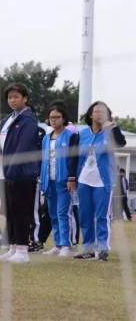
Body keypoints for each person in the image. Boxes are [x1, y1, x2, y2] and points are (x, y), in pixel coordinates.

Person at [0, 83, 41, 264]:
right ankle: (13, 246)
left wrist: (12, 169)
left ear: (25, 98)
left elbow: (23, 148)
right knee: (11, 211)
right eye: (9, 97)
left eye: (16, 97)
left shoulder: (28, 119)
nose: (12, 100)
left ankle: (23, 250)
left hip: (22, 173)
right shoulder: (9, 119)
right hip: (7, 172)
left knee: (22, 211)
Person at [74, 101, 126, 262]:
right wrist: (72, 178)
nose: (99, 114)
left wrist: (113, 127)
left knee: (102, 216)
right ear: (90, 114)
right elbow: (74, 156)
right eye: (96, 111)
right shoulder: (82, 133)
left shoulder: (110, 132)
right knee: (85, 215)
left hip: (103, 181)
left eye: (103, 112)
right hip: (84, 179)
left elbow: (121, 143)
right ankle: (88, 248)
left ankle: (102, 249)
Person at [39, 102, 79, 258]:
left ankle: (66, 245)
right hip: (49, 180)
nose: (54, 120)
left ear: (63, 118)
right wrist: (42, 179)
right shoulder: (46, 138)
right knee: (53, 214)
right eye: (51, 117)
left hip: (64, 181)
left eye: (57, 117)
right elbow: (43, 160)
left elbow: (73, 159)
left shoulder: (71, 136)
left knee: (63, 213)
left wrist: (71, 178)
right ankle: (57, 244)